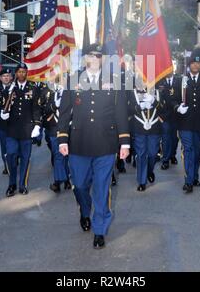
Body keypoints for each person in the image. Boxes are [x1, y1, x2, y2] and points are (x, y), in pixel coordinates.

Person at [57, 43, 130, 250]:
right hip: (79, 144)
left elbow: (121, 114)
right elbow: (64, 113)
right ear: (85, 58)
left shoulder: (115, 81)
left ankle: (99, 230)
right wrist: (62, 138)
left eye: (99, 55)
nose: (95, 58)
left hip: (105, 144)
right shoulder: (73, 80)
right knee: (79, 185)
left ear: (103, 59)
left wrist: (124, 142)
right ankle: (84, 210)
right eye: (91, 55)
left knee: (101, 188)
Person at [171, 52, 200, 194]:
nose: (195, 65)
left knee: (197, 152)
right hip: (184, 123)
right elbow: (172, 98)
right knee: (188, 150)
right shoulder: (181, 80)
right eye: (193, 63)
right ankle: (189, 181)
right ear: (189, 65)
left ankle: (195, 176)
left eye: (198, 63)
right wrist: (177, 107)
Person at [1, 63, 41, 197]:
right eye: (19, 72)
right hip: (12, 129)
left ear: (27, 73)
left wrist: (37, 125)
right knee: (11, 155)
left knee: (25, 158)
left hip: (27, 130)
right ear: (16, 74)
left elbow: (36, 108)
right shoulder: (10, 88)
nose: (22, 74)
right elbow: (4, 105)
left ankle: (22, 184)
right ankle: (12, 184)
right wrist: (3, 114)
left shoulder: (33, 88)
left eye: (24, 72)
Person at [128, 84, 166, 192]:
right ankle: (142, 181)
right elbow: (128, 109)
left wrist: (154, 101)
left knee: (153, 154)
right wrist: (139, 107)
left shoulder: (157, 92)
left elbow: (163, 108)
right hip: (139, 127)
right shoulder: (133, 92)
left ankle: (149, 171)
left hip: (154, 128)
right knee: (141, 154)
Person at [38, 77, 71, 193]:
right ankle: (59, 181)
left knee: (66, 155)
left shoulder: (71, 89)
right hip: (53, 127)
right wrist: (54, 105)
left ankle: (63, 180)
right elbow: (43, 109)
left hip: (69, 127)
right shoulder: (47, 91)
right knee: (58, 154)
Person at [157, 73, 182, 170]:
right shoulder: (159, 81)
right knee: (166, 138)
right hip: (164, 116)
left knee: (175, 138)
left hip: (176, 115)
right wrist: (158, 115)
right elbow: (156, 98)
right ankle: (165, 159)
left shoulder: (179, 81)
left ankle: (172, 155)